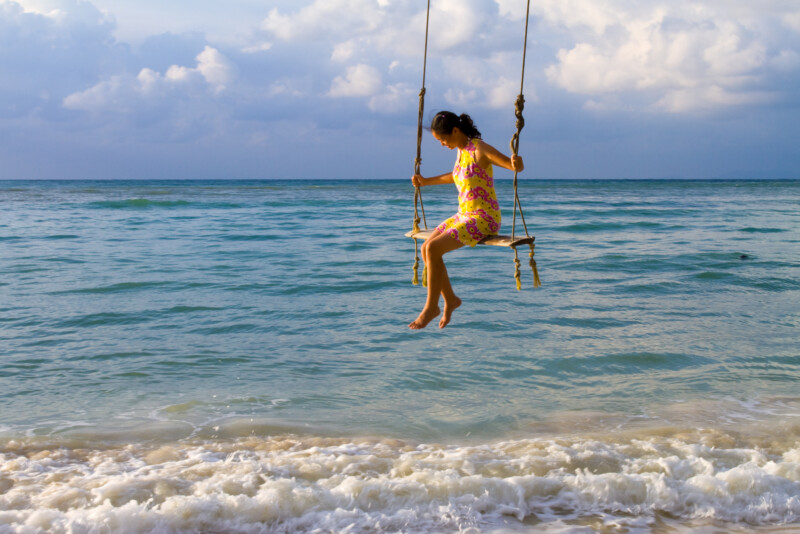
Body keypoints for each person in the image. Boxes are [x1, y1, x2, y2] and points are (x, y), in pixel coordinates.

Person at [409, 111, 524, 330]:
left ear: (456, 131)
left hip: (485, 218)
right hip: (463, 215)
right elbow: (456, 176)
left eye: (443, 139)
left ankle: (431, 307)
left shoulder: (480, 149)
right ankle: (451, 300)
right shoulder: (461, 151)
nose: (442, 144)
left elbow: (513, 167)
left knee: (433, 248)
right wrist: (425, 182)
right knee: (426, 248)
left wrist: (516, 163)